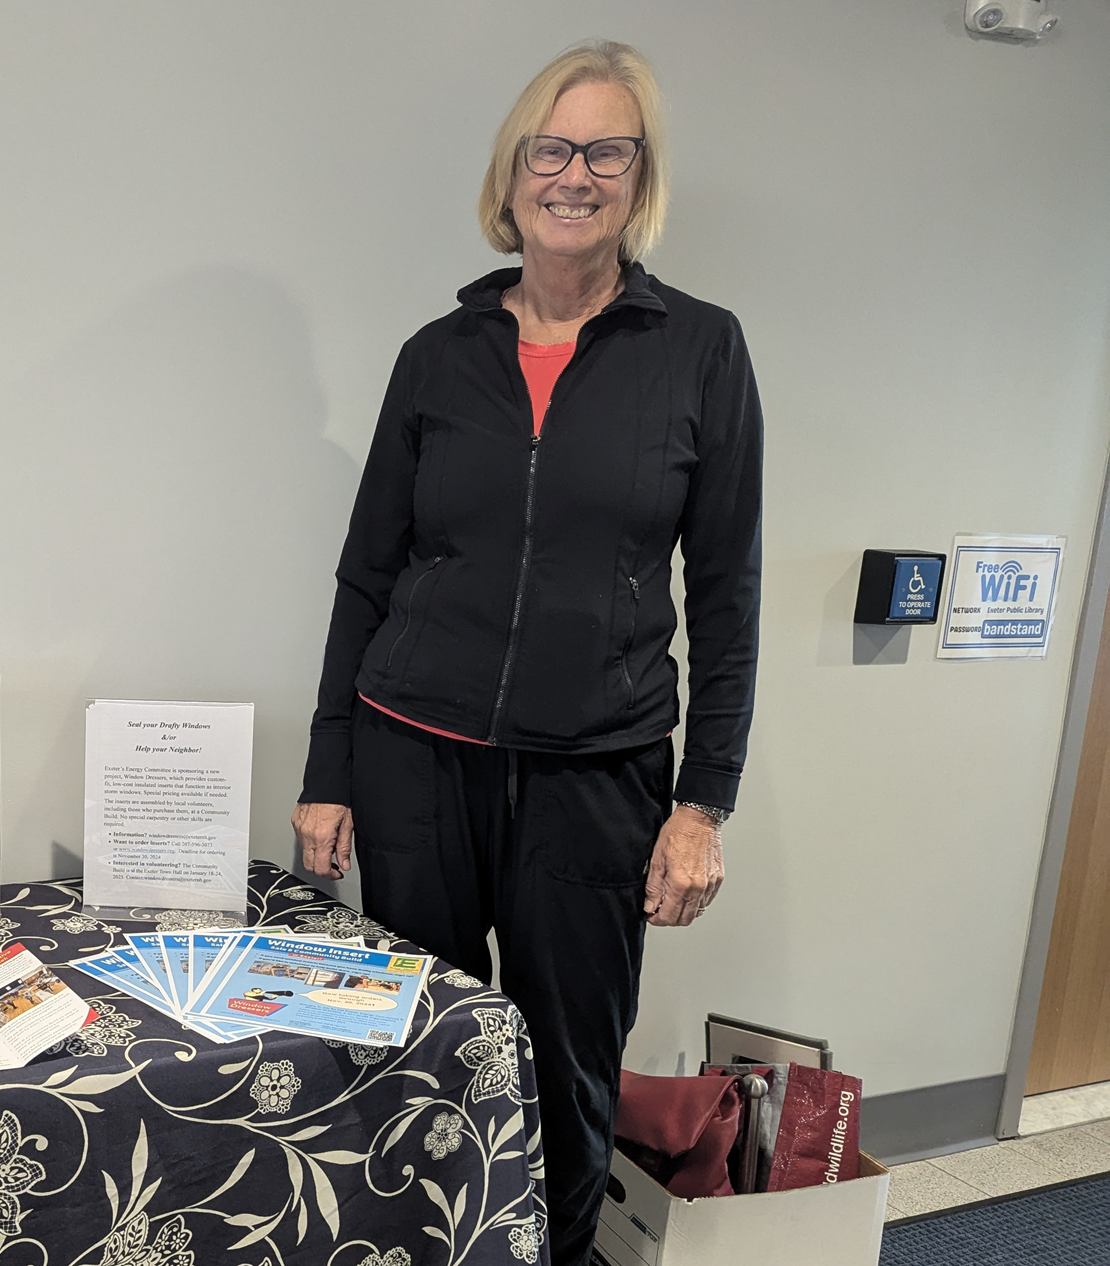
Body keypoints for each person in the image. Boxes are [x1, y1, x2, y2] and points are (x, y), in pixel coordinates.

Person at [291, 40, 761, 1266]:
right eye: (549, 150)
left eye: (606, 151)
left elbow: (725, 593)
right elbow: (366, 573)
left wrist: (701, 802)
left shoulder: (699, 351)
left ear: (638, 177)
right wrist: (329, 766)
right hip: (412, 761)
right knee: (421, 1057)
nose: (574, 174)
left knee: (566, 1073)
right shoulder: (435, 356)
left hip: (594, 779)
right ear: (511, 175)